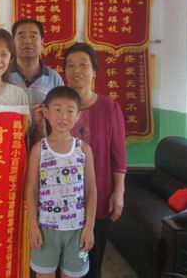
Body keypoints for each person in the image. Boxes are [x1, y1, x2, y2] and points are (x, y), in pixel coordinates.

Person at [63, 42, 126, 278]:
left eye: (83, 65)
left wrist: (119, 190)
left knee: (92, 261)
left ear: (94, 71)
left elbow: (118, 154)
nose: (76, 70)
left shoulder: (110, 108)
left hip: (99, 195)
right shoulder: (57, 107)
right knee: (63, 262)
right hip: (62, 198)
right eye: (70, 65)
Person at [26, 86, 97, 278]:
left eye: (70, 111)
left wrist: (89, 228)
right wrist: (33, 226)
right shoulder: (39, 149)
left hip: (77, 229)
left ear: (78, 116)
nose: (63, 116)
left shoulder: (84, 149)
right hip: (46, 228)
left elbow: (91, 190)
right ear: (46, 113)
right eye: (57, 109)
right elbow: (32, 189)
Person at [9, 19, 64, 146]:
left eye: (33, 36)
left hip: (45, 146)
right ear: (13, 42)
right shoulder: (3, 75)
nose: (27, 41)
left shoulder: (54, 78)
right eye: (21, 36)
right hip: (10, 145)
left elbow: (62, 114)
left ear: (42, 41)